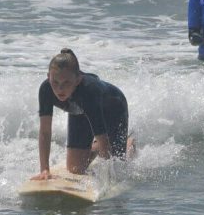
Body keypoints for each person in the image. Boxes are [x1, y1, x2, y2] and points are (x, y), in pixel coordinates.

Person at [31, 48, 134, 180]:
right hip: (80, 111)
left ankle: (129, 142)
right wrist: (45, 170)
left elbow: (103, 140)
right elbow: (45, 132)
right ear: (48, 77)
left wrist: (106, 178)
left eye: (66, 83)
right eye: (55, 82)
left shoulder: (88, 91)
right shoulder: (46, 89)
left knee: (117, 163)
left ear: (78, 79)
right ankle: (94, 148)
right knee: (75, 169)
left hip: (113, 108)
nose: (60, 89)